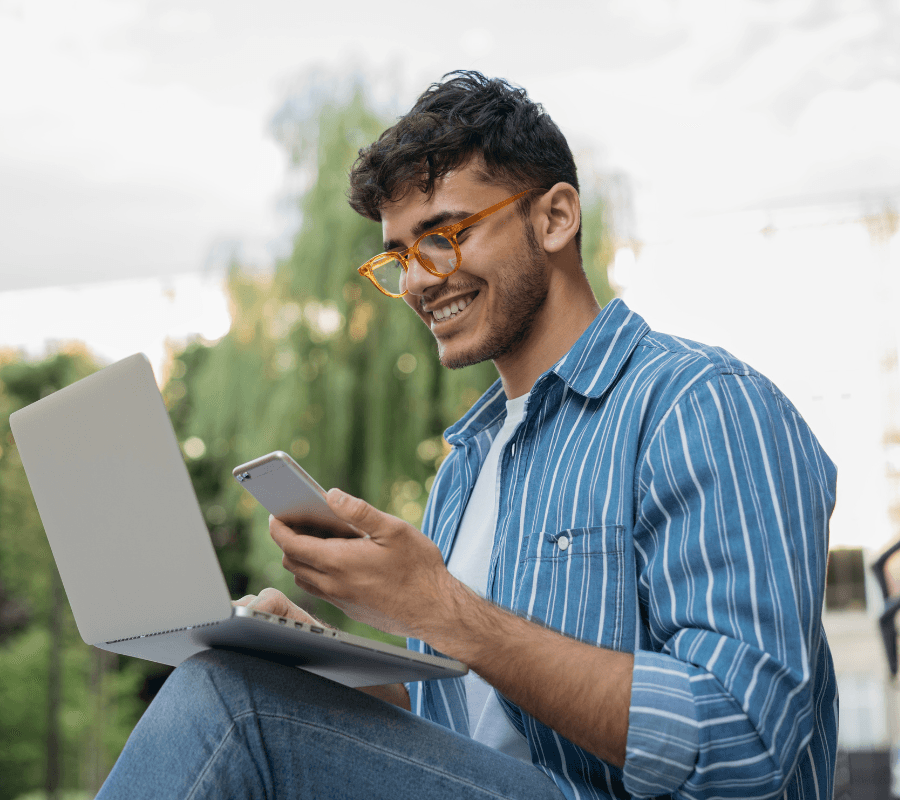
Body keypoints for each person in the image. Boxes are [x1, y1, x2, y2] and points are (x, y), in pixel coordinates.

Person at [96, 71, 837, 800]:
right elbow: (467, 740)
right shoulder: (467, 466)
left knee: (230, 703)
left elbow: (747, 743)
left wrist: (440, 607)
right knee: (240, 678)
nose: (419, 280)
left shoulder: (698, 404)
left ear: (554, 218)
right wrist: (322, 666)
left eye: (444, 235)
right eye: (400, 256)